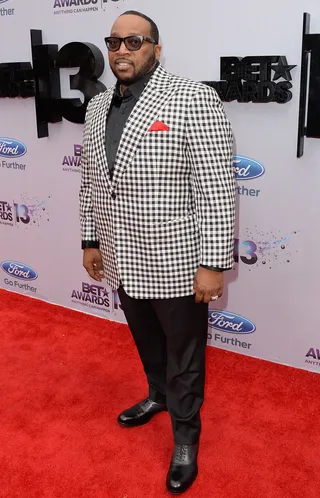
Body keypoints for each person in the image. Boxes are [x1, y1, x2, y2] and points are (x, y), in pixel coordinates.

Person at [80, 10, 235, 494]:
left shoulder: (193, 98)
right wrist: (90, 238)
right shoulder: (96, 105)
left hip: (177, 261)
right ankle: (157, 396)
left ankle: (186, 438)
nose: (121, 51)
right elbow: (91, 181)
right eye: (114, 43)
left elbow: (217, 189)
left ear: (156, 49)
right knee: (147, 342)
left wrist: (212, 264)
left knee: (184, 355)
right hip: (121, 258)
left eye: (134, 42)